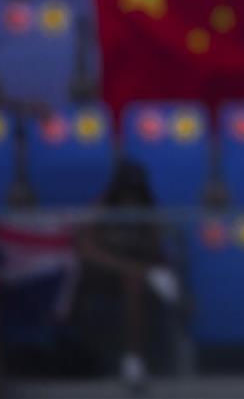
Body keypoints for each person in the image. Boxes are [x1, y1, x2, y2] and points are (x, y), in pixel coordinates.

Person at [74, 161, 179, 390]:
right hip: (102, 275)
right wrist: (126, 267)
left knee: (138, 283)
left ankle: (134, 362)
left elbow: (157, 250)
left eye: (135, 191)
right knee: (132, 279)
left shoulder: (149, 211)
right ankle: (125, 361)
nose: (130, 197)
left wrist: (149, 269)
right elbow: (87, 250)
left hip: (136, 277)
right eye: (126, 191)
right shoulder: (102, 208)